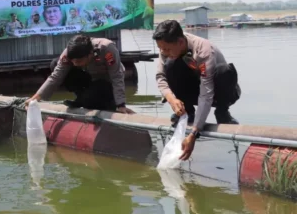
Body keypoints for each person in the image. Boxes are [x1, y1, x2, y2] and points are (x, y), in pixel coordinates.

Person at [153, 20, 241, 160]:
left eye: (167, 49)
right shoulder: (166, 48)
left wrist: (194, 133)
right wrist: (171, 98)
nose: (163, 52)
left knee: (224, 71)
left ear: (181, 42)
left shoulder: (203, 50)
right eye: (161, 49)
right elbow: (160, 76)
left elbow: (206, 93)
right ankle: (187, 112)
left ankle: (222, 111)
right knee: (170, 66)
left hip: (220, 91)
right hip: (196, 89)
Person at [24, 35, 135, 114]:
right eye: (73, 62)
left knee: (98, 90)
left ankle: (85, 101)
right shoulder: (68, 54)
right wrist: (34, 99)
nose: (75, 64)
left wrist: (121, 105)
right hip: (89, 79)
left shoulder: (107, 49)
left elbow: (116, 77)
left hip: (106, 83)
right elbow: (56, 77)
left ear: (90, 54)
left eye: (79, 62)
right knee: (55, 64)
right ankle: (82, 98)